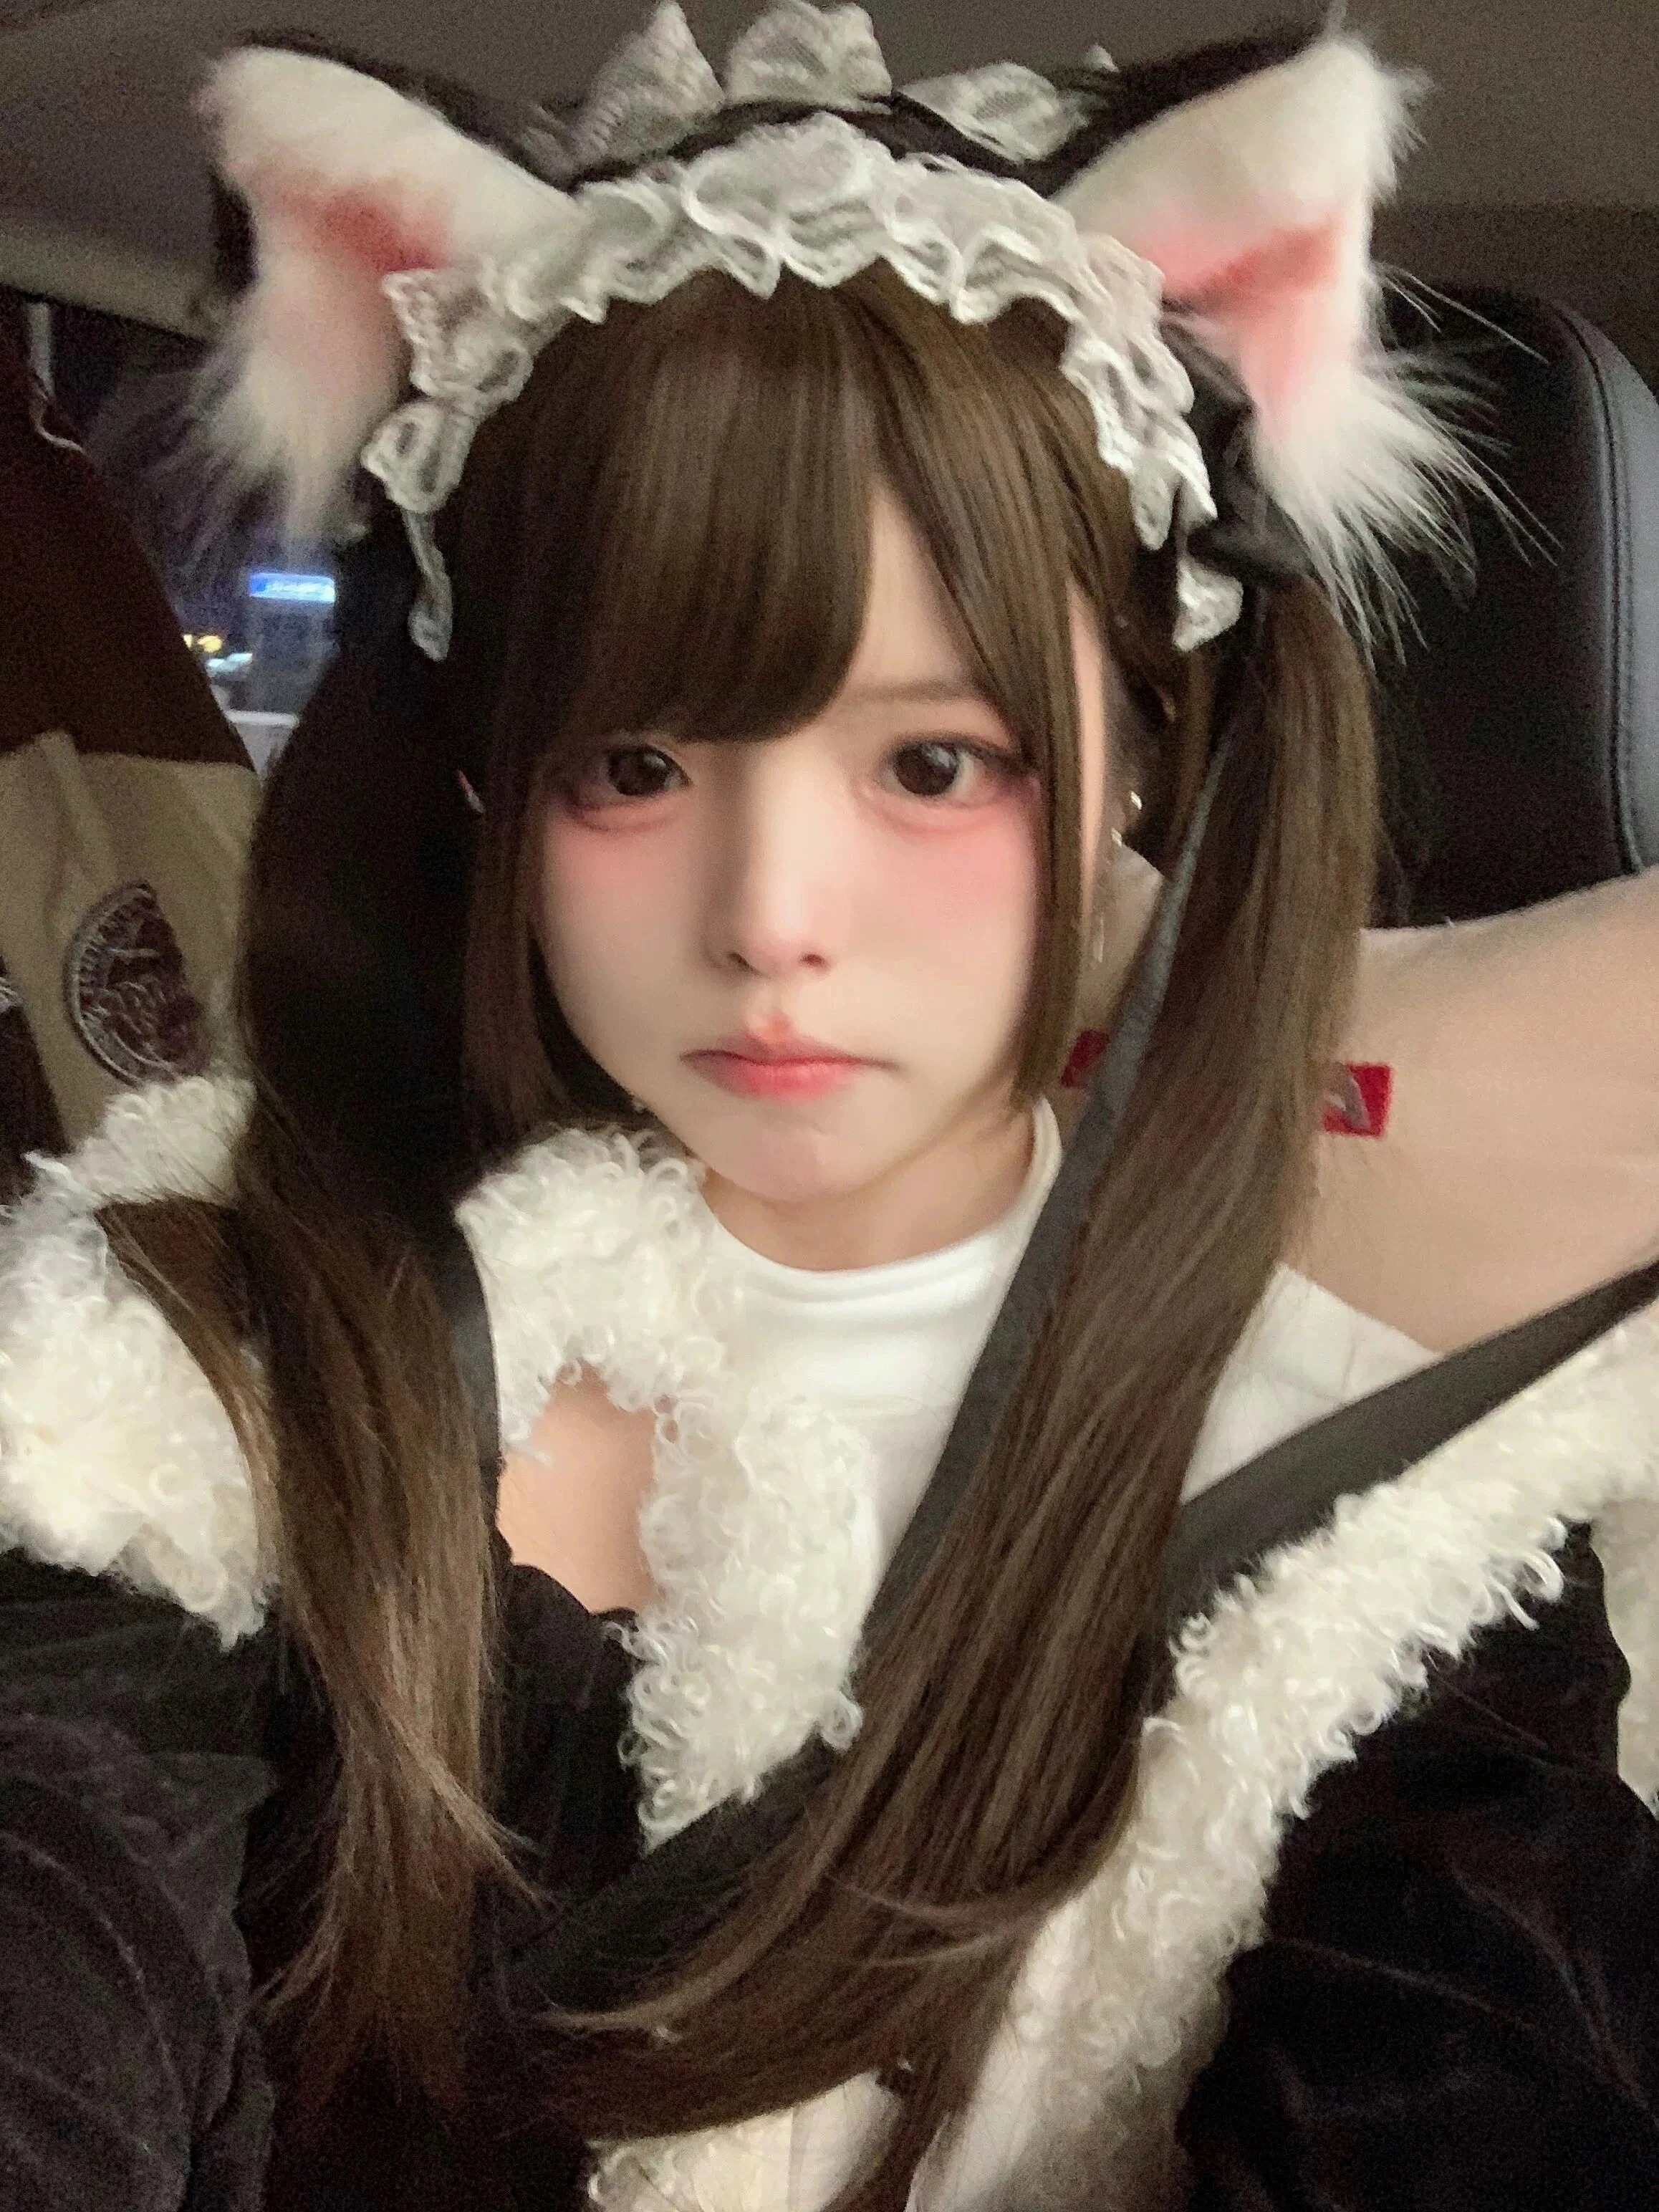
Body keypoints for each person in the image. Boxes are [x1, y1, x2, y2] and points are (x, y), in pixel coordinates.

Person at [0, 11, 1655, 2209]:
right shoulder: (206, 1361)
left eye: (932, 762)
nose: (768, 919)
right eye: (636, 765)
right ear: (493, 780)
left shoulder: (1386, 1490)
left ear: (1138, 754)